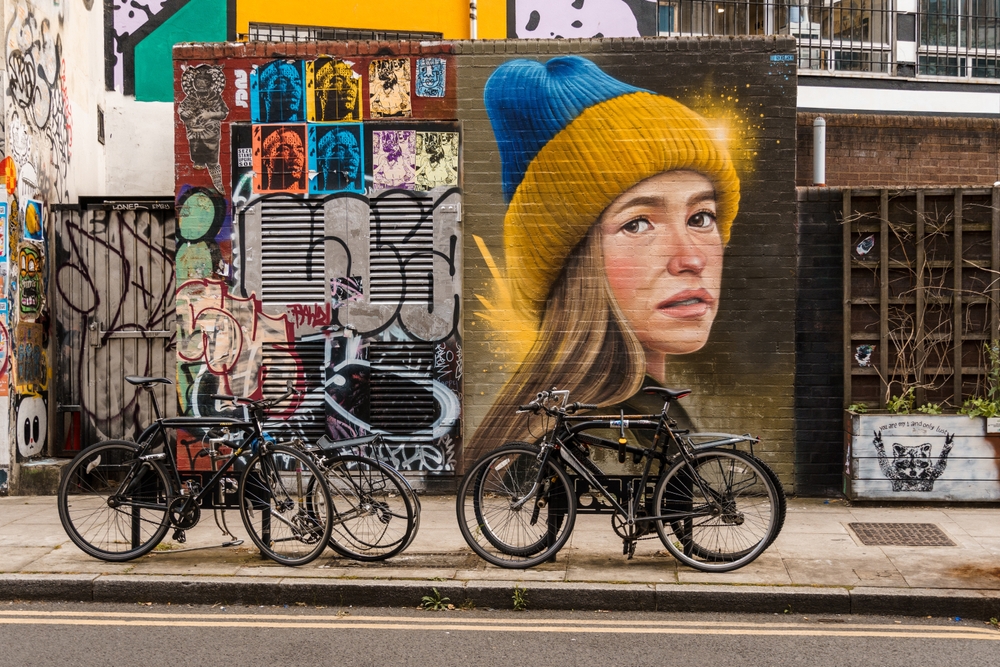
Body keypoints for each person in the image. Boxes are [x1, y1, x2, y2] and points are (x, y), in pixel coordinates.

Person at [467, 56, 740, 461]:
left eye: (700, 217)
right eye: (638, 224)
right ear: (572, 262)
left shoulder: (573, 414)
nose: (690, 259)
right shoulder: (610, 426)